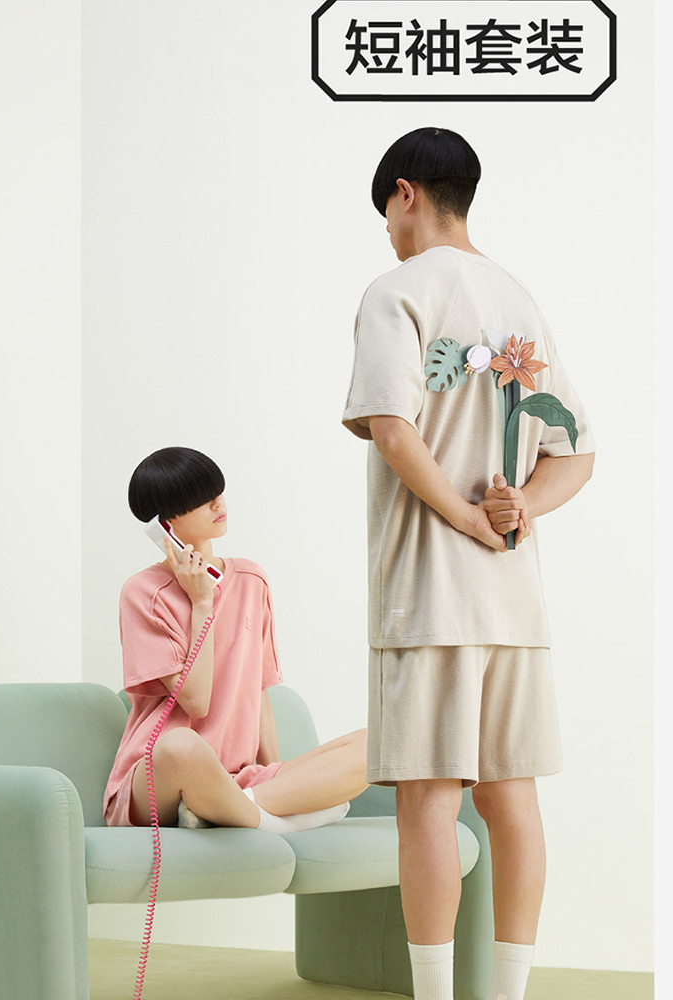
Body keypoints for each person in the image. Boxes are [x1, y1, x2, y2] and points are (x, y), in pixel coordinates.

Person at [341, 127, 595, 1000]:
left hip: (429, 597)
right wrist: (518, 510)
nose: (388, 232)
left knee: (428, 800)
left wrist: (464, 518)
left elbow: (391, 427)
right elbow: (575, 452)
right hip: (515, 606)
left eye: (386, 213)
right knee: (512, 799)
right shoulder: (519, 300)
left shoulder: (397, 291)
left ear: (406, 193)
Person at [103, 446, 368, 835]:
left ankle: (233, 808)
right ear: (166, 525)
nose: (218, 503)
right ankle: (271, 822)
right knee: (182, 745)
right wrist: (201, 602)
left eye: (217, 491)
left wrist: (276, 774)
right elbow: (196, 700)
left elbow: (258, 691)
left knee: (374, 746)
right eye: (201, 499)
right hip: (161, 776)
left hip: (237, 777)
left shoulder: (251, 580)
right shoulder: (143, 593)